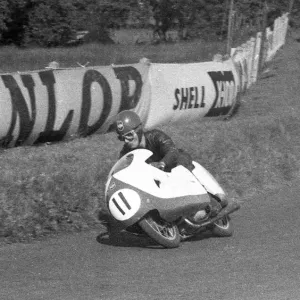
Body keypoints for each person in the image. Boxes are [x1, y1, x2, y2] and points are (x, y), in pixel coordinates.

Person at [112, 110, 228, 223]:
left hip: (173, 165)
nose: (126, 140)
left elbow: (172, 151)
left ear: (138, 130)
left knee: (180, 164)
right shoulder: (127, 153)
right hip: (158, 179)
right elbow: (122, 172)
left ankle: (210, 201)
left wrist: (162, 164)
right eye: (122, 137)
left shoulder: (155, 136)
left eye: (129, 135)